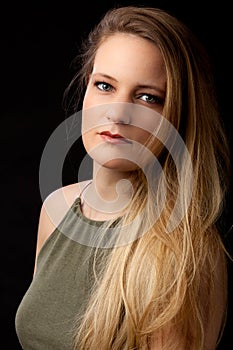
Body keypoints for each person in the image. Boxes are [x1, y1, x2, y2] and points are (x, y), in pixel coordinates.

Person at [15, 5, 231, 350]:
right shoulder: (57, 209)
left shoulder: (183, 252)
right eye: (105, 86)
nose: (116, 112)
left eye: (148, 97)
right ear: (86, 89)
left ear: (178, 116)